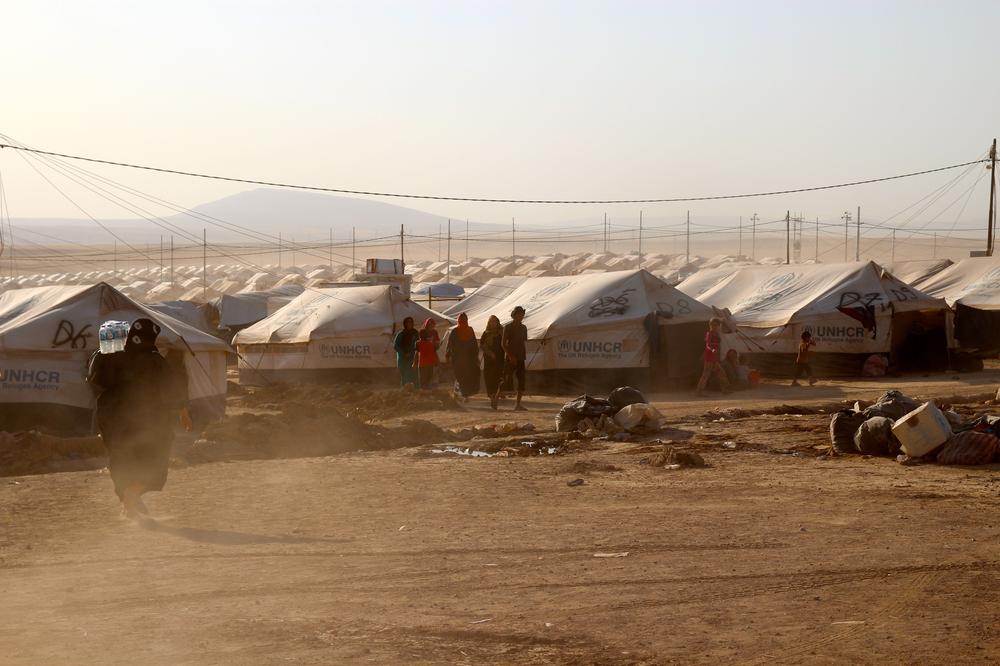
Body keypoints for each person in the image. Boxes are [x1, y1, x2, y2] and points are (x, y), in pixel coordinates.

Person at [87, 318, 191, 518]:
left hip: (110, 414)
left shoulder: (108, 356)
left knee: (120, 456)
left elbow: (95, 381)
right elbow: (171, 387)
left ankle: (127, 501)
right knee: (155, 456)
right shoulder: (154, 359)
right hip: (147, 416)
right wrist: (182, 411)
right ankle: (133, 493)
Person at [494, 306, 528, 411]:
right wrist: (510, 356)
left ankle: (518, 404)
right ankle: (495, 399)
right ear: (514, 315)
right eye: (519, 314)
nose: (521, 316)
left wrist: (521, 355)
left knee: (522, 380)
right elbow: (503, 344)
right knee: (505, 380)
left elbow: (523, 342)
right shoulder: (508, 327)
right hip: (510, 358)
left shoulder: (524, 328)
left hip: (521, 357)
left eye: (522, 315)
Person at [446, 313, 480, 400]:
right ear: (458, 321)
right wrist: (448, 356)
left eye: (464, 320)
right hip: (458, 359)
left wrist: (476, 356)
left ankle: (465, 394)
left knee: (467, 377)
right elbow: (450, 344)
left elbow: (474, 343)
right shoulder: (455, 331)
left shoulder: (470, 330)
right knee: (459, 377)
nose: (463, 321)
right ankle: (459, 392)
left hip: (469, 359)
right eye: (461, 320)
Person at [696, 317, 729, 396]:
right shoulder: (709, 334)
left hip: (714, 357)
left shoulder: (717, 334)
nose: (714, 326)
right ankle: (699, 391)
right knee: (706, 373)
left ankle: (724, 389)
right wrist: (712, 350)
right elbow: (708, 345)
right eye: (712, 325)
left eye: (716, 325)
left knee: (720, 372)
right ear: (710, 325)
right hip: (710, 356)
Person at [480, 315, 504, 400]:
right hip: (489, 359)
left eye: (495, 321)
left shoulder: (501, 332)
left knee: (499, 376)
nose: (493, 323)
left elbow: (505, 343)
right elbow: (482, 345)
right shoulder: (486, 333)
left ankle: (498, 393)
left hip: (499, 358)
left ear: (497, 322)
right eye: (491, 322)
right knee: (489, 376)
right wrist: (490, 353)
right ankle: (491, 394)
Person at [393, 316, 419, 388]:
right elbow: (396, 346)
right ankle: (405, 389)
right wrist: (404, 353)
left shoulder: (415, 333)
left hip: (413, 357)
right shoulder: (401, 334)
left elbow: (418, 345)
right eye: (408, 322)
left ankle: (415, 389)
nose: (410, 323)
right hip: (402, 358)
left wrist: (413, 353)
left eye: (411, 322)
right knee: (404, 374)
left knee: (413, 373)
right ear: (405, 323)